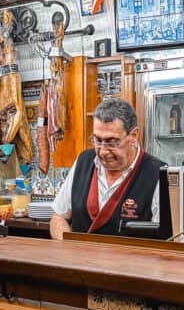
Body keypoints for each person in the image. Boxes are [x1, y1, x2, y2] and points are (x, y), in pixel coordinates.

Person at [50, 97, 165, 239]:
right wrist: (68, 249)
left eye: (112, 142)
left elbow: (166, 241)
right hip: (78, 260)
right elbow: (58, 218)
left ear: (134, 136)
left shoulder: (157, 174)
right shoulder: (83, 161)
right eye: (98, 140)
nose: (103, 151)